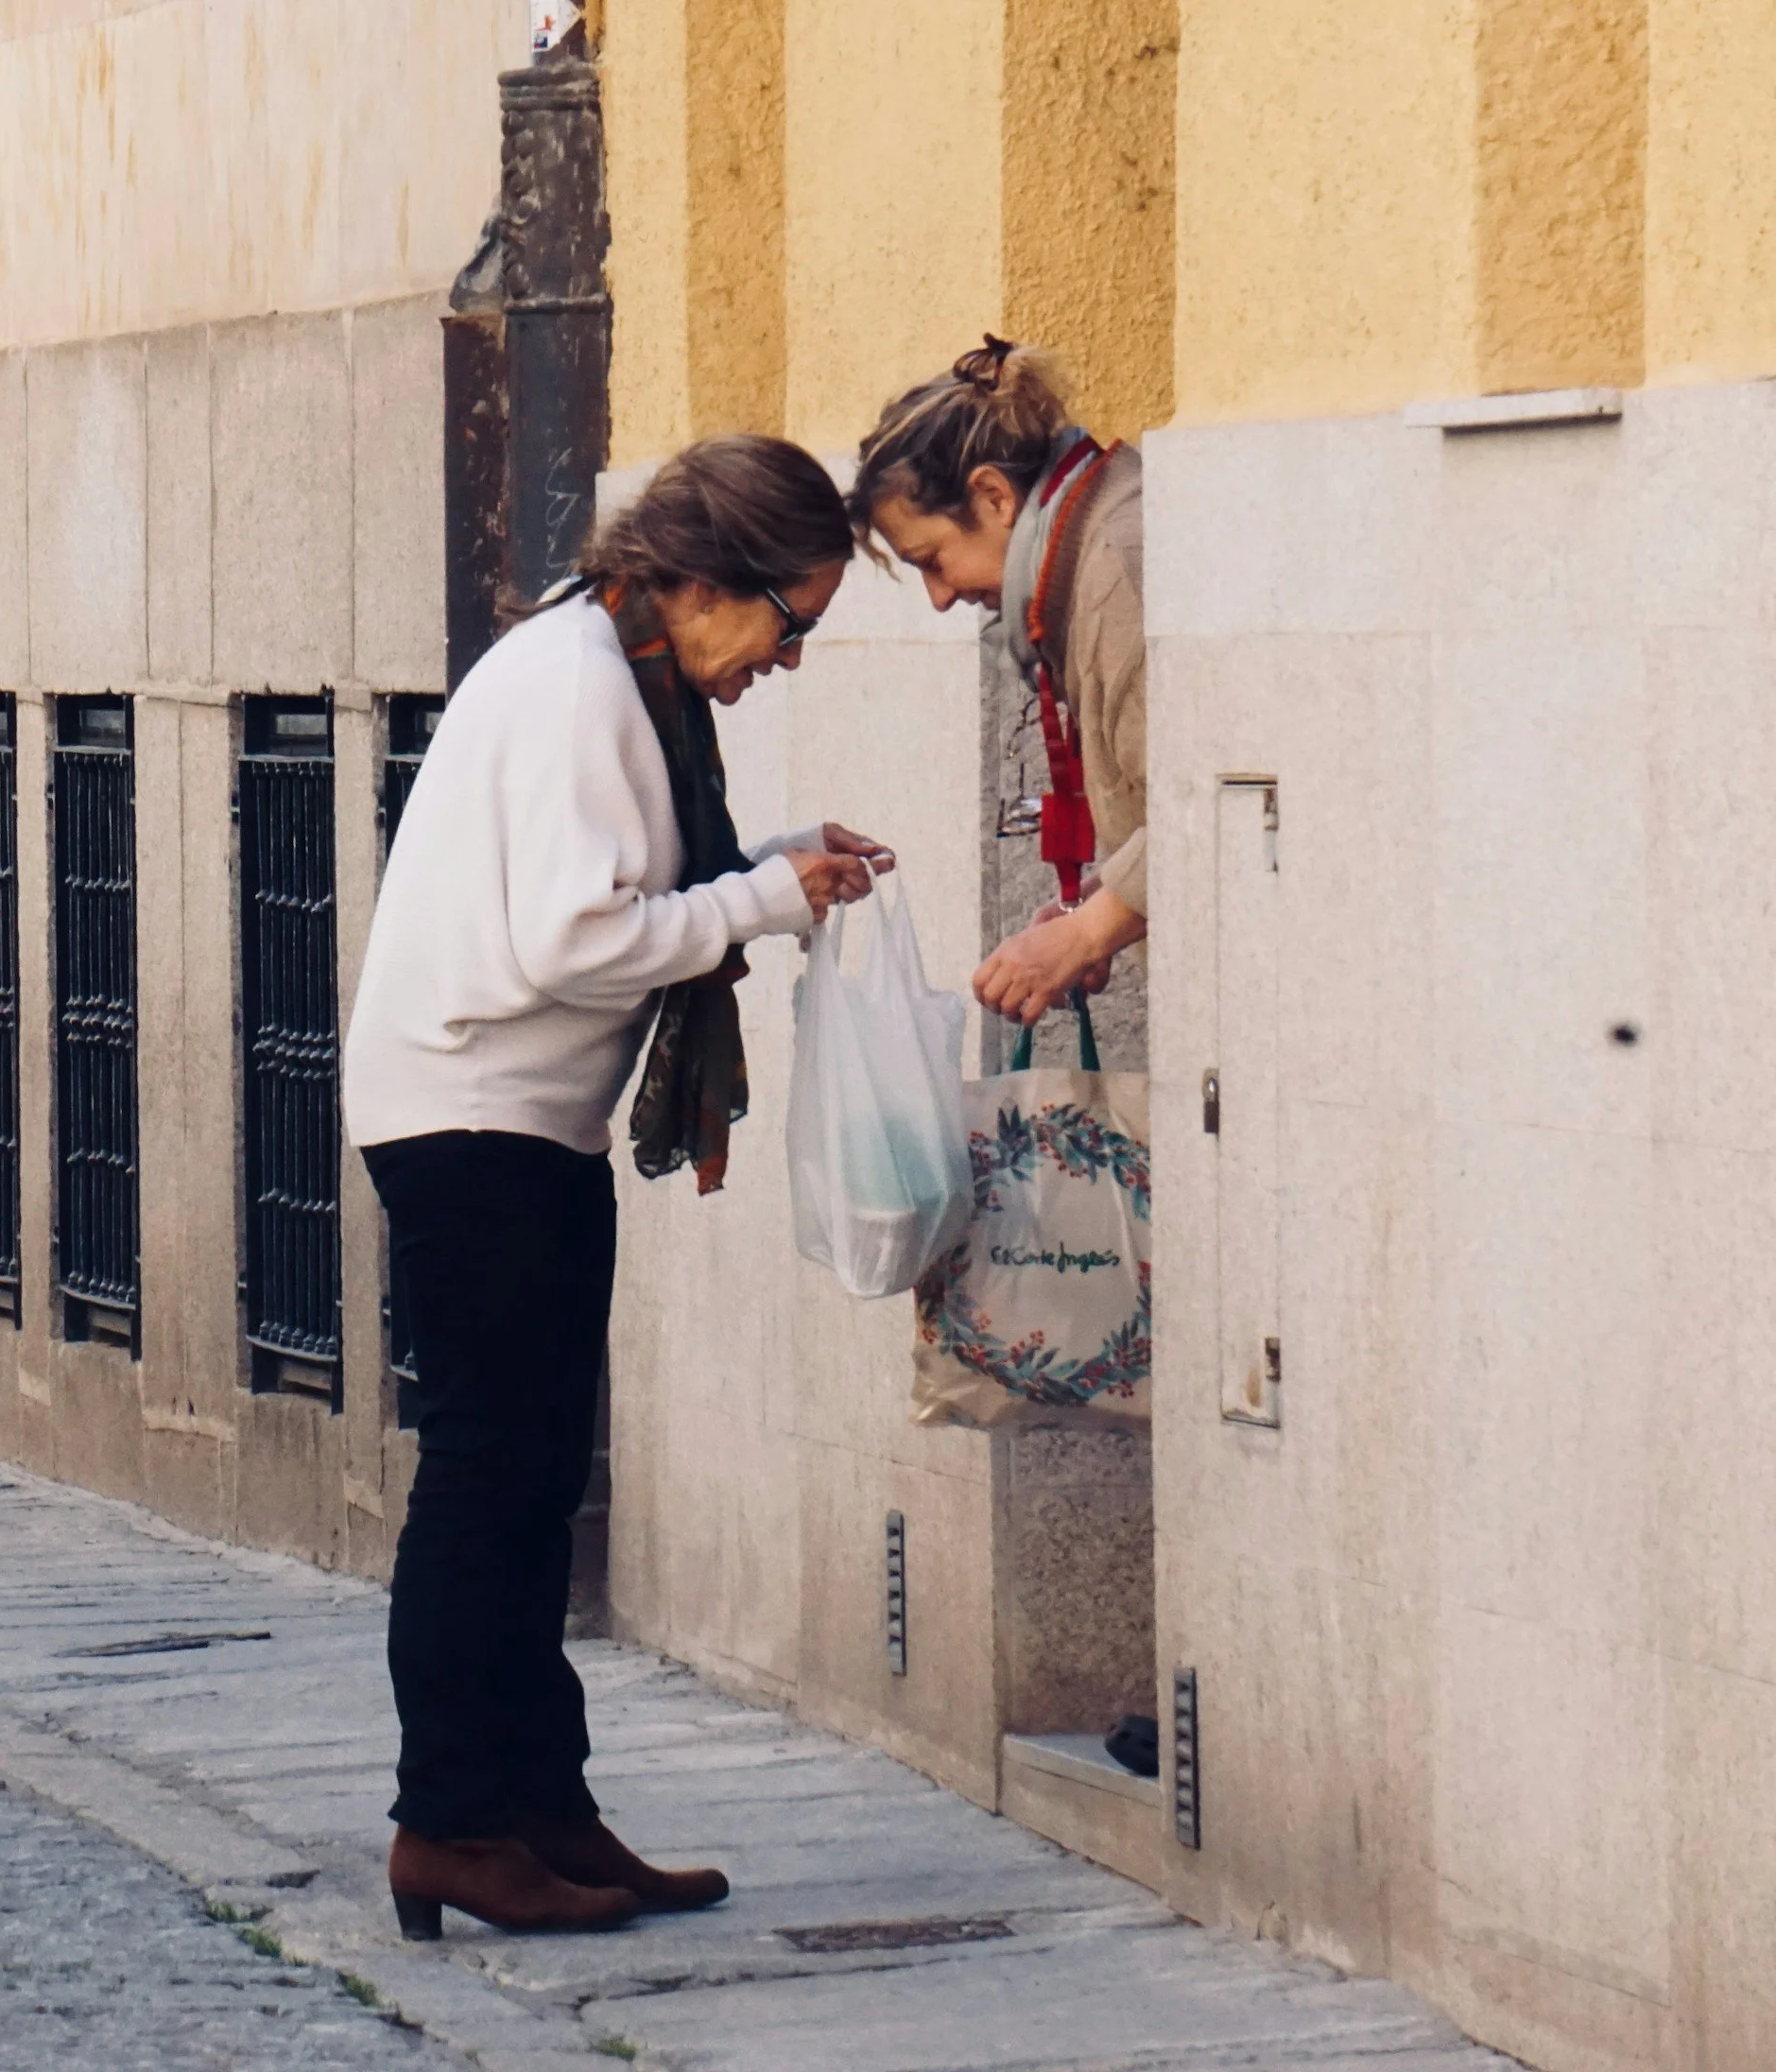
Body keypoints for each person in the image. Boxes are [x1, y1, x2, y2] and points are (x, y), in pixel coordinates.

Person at [344, 435, 892, 1939]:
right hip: (472, 1115)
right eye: (792, 625)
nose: (784, 662)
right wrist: (766, 901)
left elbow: (632, 893)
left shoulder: (614, 673)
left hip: (519, 1119)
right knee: (487, 1483)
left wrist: (781, 865)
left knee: (529, 1486)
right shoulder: (584, 683)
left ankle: (539, 1805)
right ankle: (451, 1821)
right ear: (711, 580)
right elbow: (577, 940)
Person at [848, 335, 1146, 1023]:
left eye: (932, 560)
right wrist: (1101, 906)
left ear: (992, 496)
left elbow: (1196, 813)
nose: (940, 597)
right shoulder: (1089, 549)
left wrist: (1086, 931)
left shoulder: (1117, 573)